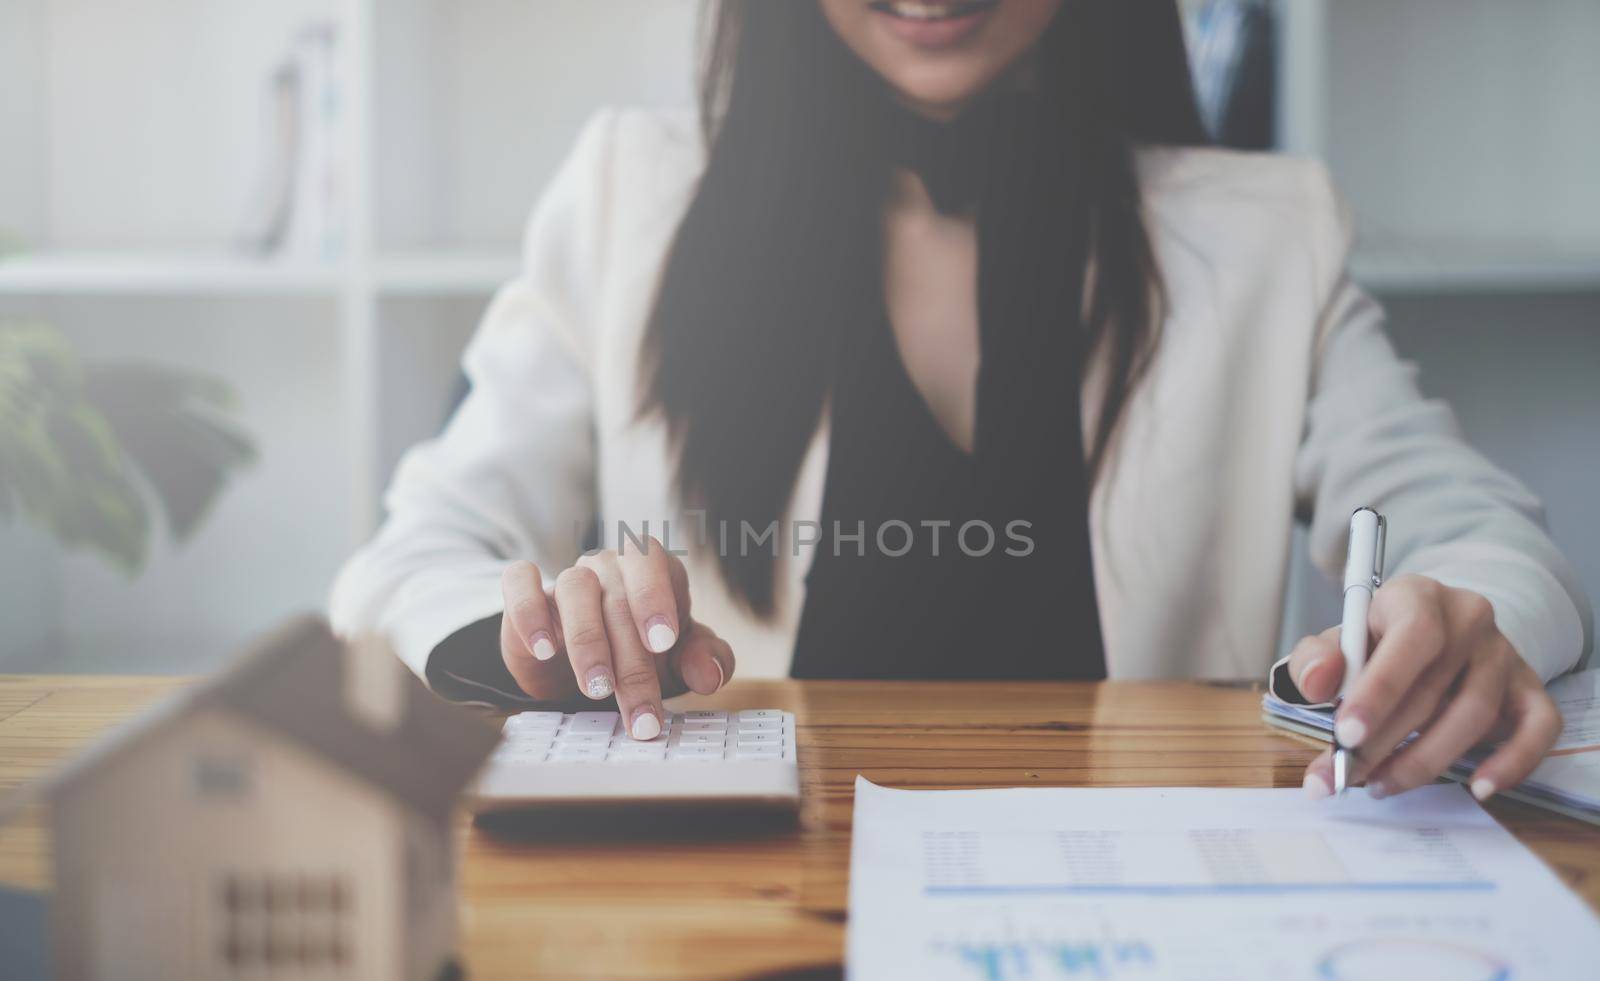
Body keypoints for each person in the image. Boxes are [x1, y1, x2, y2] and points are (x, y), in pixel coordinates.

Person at [330, 0, 1591, 800]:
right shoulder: (628, 193)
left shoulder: (1267, 233)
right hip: (729, 910)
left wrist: (1461, 620)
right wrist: (537, 642)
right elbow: (406, 559)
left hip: (1148, 911)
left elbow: (1482, 533)